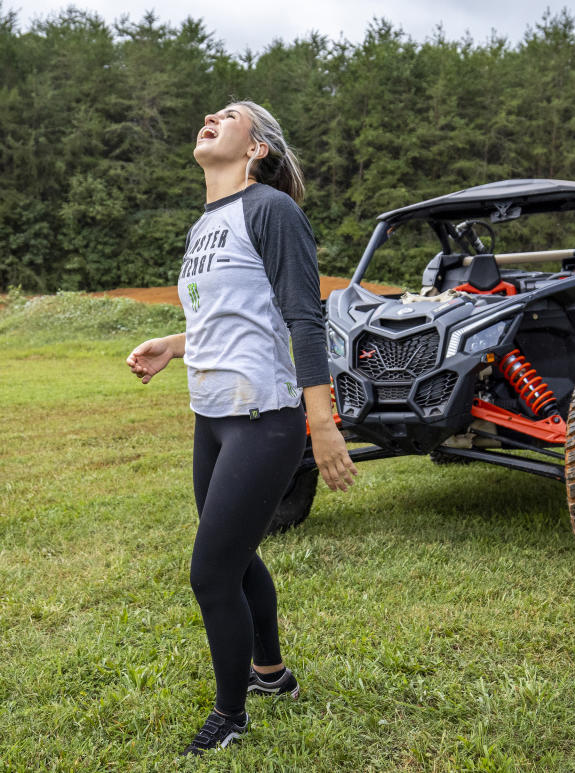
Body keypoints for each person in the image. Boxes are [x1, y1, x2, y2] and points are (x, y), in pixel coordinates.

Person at [126, 100, 357, 756]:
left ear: (256, 148)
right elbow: (225, 312)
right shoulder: (207, 225)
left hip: (265, 418)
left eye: (229, 116)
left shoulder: (271, 210)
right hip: (214, 417)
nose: (210, 116)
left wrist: (323, 422)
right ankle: (271, 674)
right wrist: (175, 344)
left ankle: (231, 713)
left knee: (210, 572)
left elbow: (302, 317)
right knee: (235, 553)